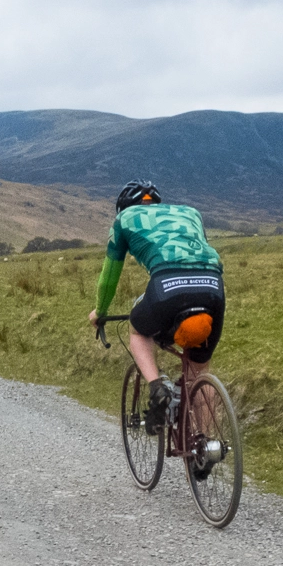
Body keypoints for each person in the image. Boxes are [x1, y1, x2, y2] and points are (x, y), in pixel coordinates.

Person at [88, 180, 225, 431]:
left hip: (168, 284)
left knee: (138, 329)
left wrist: (101, 311)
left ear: (124, 207)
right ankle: (205, 448)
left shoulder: (124, 219)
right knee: (199, 372)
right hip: (213, 287)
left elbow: (109, 276)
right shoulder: (191, 212)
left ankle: (157, 388)